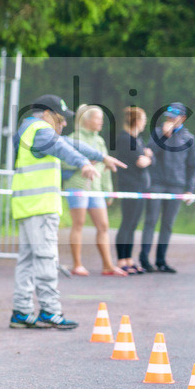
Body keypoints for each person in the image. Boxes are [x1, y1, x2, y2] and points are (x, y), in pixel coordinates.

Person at [9, 95, 124, 331]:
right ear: (47, 113)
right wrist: (83, 163)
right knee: (46, 259)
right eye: (60, 120)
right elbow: (63, 147)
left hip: (28, 206)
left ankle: (21, 311)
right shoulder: (40, 130)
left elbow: (70, 144)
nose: (63, 126)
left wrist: (100, 157)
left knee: (28, 260)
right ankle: (50, 311)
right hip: (39, 208)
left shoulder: (30, 129)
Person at [61, 105, 124, 276]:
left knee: (103, 226)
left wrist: (108, 190)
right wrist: (84, 162)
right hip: (77, 186)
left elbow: (106, 166)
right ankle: (77, 264)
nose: (101, 122)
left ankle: (108, 266)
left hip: (95, 188)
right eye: (98, 118)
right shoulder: (73, 138)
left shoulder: (100, 141)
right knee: (78, 225)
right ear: (87, 120)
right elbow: (63, 162)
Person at [139, 102, 195, 273]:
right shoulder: (157, 133)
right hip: (156, 183)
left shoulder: (189, 138)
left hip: (177, 185)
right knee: (150, 221)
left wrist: (189, 189)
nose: (170, 119)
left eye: (174, 116)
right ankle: (144, 260)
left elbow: (192, 166)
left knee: (168, 224)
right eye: (169, 116)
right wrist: (164, 136)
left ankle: (161, 260)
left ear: (183, 118)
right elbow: (150, 153)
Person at [113, 106, 152, 274]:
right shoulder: (125, 139)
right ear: (136, 122)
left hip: (140, 187)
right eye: (143, 121)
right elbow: (141, 161)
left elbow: (144, 157)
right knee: (127, 223)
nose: (144, 124)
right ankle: (122, 260)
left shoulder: (137, 140)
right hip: (131, 186)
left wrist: (146, 156)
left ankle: (129, 258)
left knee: (133, 223)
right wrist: (148, 157)